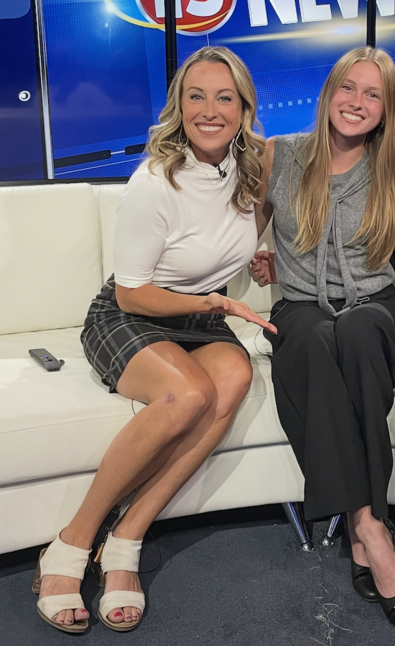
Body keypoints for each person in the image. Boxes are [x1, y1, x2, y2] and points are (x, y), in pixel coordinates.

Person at [33, 46, 276, 634]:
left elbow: (252, 219)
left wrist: (262, 250)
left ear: (244, 107)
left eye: (225, 97)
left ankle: (127, 538)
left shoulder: (259, 163)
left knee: (236, 377)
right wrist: (214, 301)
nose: (210, 110)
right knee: (187, 394)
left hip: (199, 313)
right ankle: (69, 544)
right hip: (133, 311)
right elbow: (132, 294)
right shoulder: (155, 180)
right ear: (179, 106)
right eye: (196, 96)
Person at [250, 47, 395, 634]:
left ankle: (364, 527)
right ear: (327, 93)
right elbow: (245, 235)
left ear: (386, 109)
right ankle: (369, 526)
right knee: (307, 342)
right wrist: (257, 256)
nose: (357, 102)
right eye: (348, 88)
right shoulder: (278, 155)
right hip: (301, 305)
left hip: (375, 307)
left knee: (354, 329)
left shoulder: (393, 175)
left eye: (372, 94)